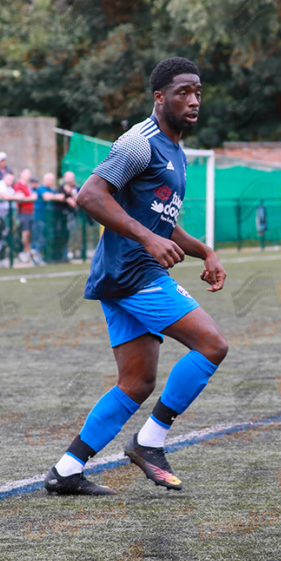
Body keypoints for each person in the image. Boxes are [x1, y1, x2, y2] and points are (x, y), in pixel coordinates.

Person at [44, 57, 228, 496]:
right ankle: (150, 442)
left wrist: (204, 250)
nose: (193, 99)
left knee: (138, 382)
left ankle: (66, 470)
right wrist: (147, 239)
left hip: (124, 272)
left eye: (198, 91)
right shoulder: (138, 142)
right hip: (133, 271)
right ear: (159, 97)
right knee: (212, 344)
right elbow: (90, 196)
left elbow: (162, 221)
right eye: (183, 91)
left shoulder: (176, 152)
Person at [13, 168, 36, 263]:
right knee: (25, 233)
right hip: (23, 212)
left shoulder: (28, 186)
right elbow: (20, 198)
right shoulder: (18, 185)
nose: (28, 175)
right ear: (21, 174)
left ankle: (28, 251)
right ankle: (24, 252)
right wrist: (31, 198)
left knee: (29, 233)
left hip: (30, 212)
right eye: (26, 173)